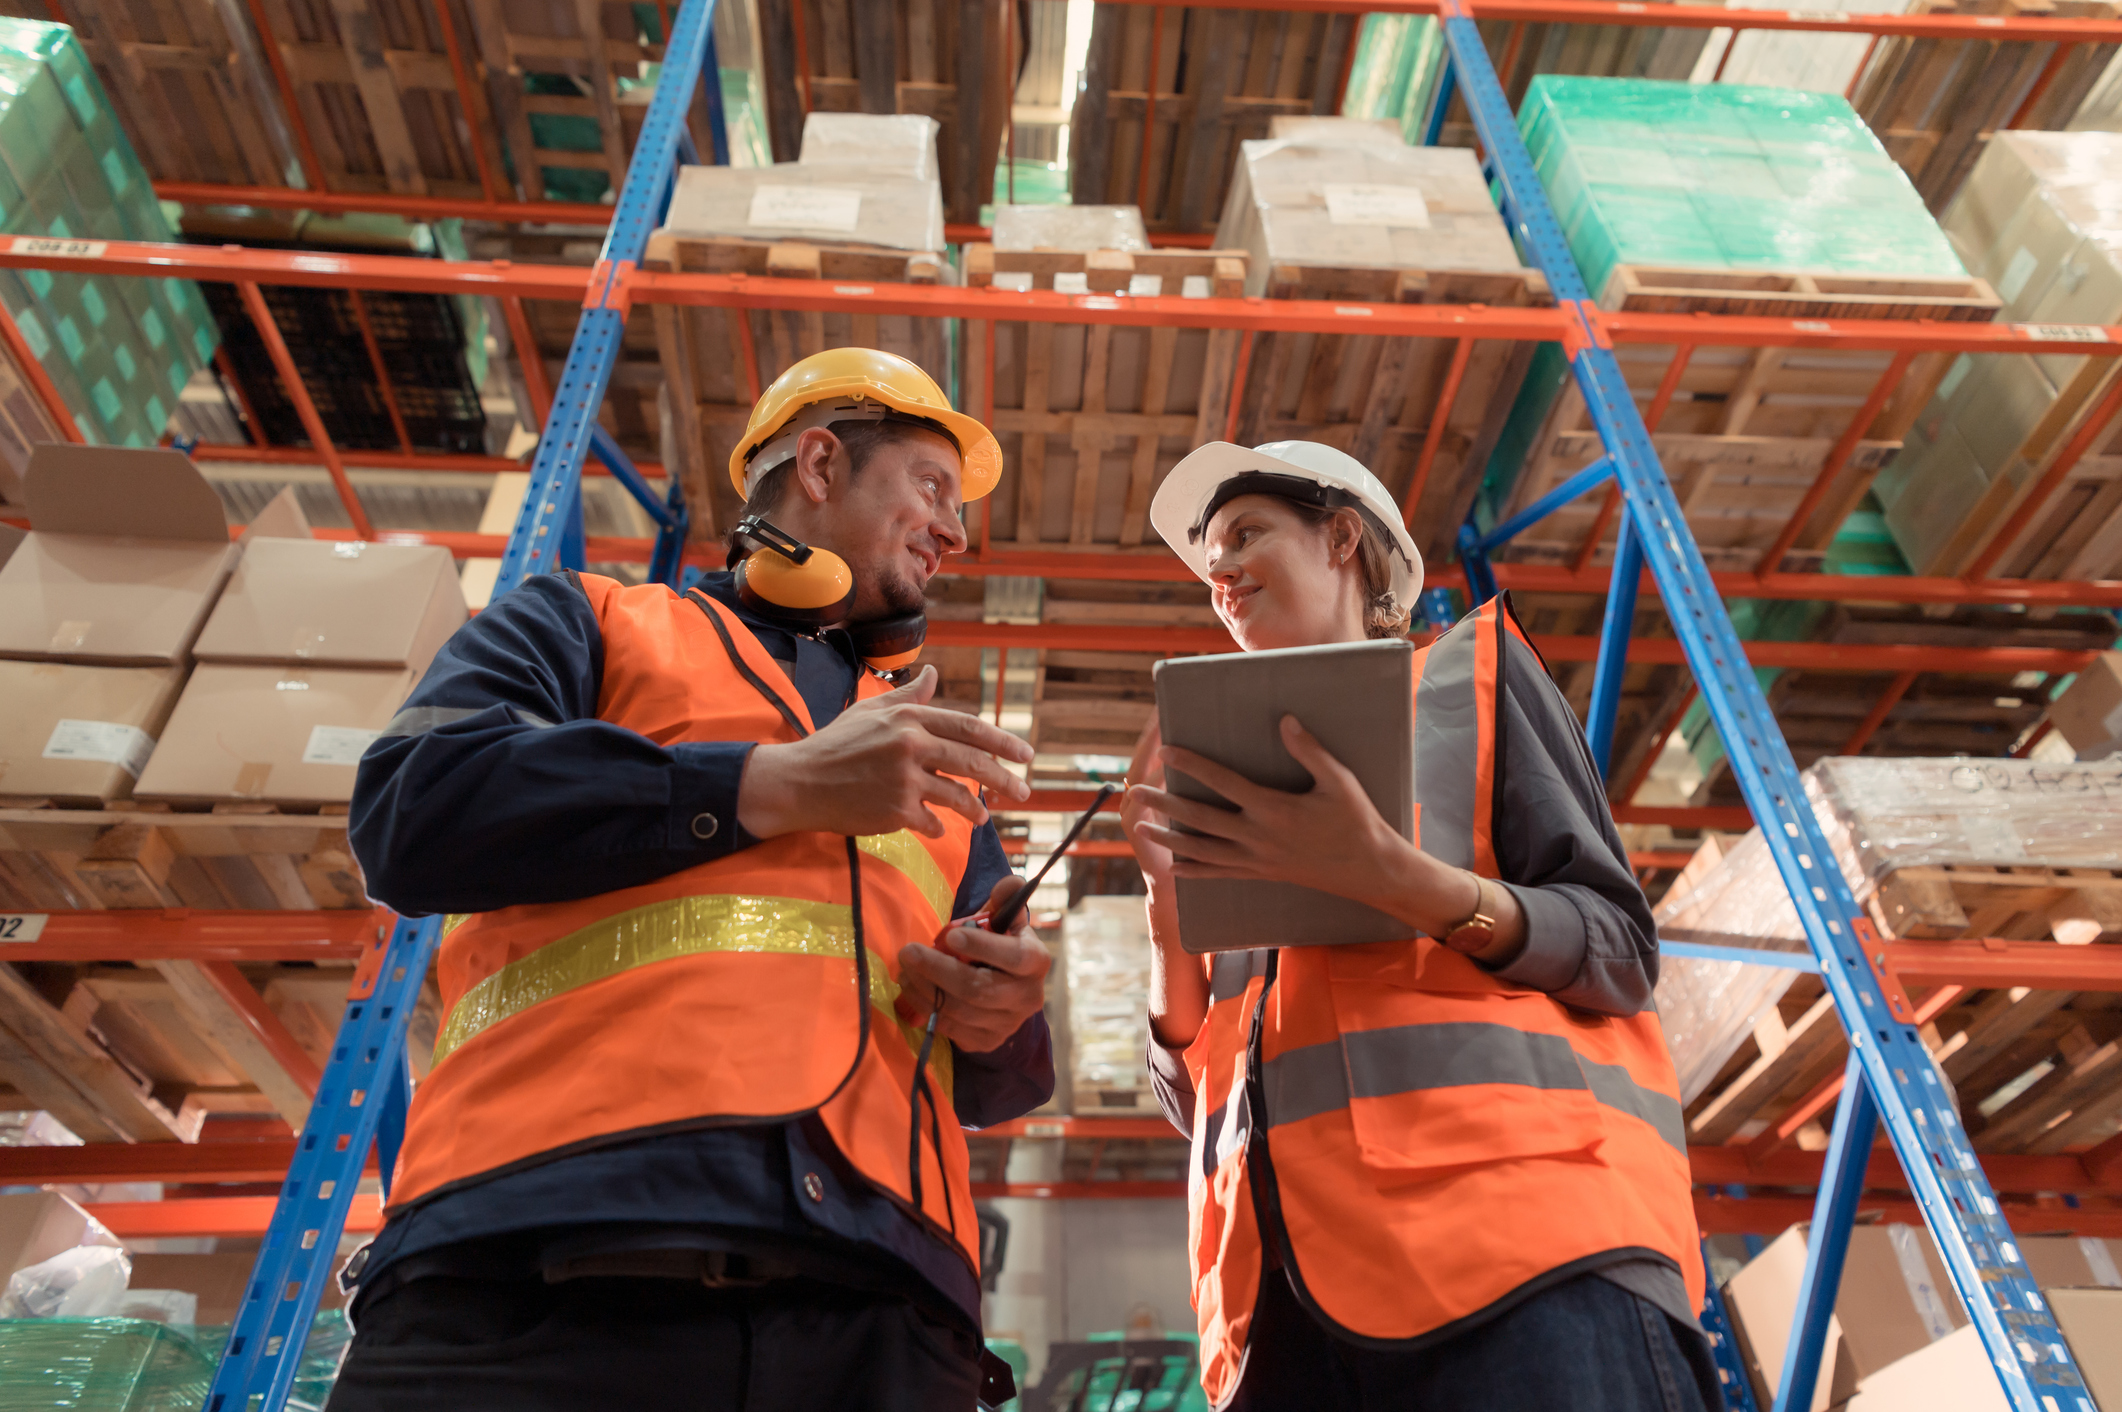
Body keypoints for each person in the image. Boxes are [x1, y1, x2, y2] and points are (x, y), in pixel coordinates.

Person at [334, 348, 1053, 1412]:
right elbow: (409, 810)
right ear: (818, 462)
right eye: (930, 485)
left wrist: (1002, 1011)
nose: (954, 528)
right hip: (544, 1272)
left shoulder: (933, 763)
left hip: (886, 1321)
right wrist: (766, 784)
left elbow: (1003, 1080)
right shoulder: (590, 623)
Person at [1122, 440, 1711, 1412]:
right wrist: (1163, 921)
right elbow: (1206, 1105)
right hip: (1283, 1315)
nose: (1218, 572)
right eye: (1207, 559)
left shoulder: (1463, 687)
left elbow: (1617, 949)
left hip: (1517, 1263)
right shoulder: (1226, 784)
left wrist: (1400, 880)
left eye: (1244, 533)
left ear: (1341, 536)